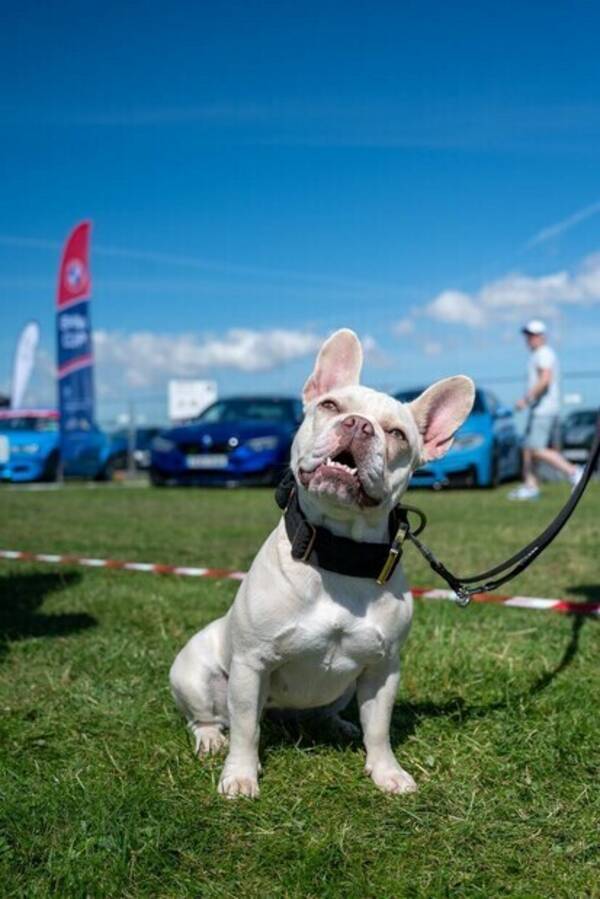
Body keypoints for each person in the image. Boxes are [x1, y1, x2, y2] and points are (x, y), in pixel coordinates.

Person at [508, 319, 583, 501]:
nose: (529, 339)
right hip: (538, 409)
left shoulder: (544, 353)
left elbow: (545, 379)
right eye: (528, 335)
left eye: (533, 335)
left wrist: (526, 399)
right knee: (528, 447)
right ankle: (530, 486)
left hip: (544, 409)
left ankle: (574, 472)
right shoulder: (538, 355)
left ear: (541, 336)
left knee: (536, 448)